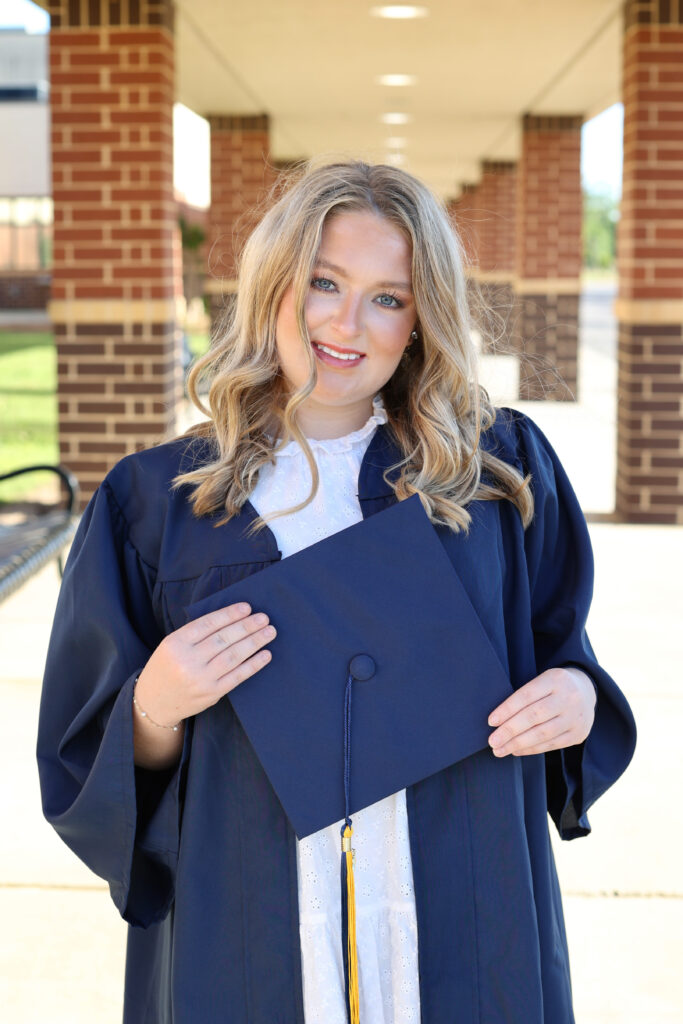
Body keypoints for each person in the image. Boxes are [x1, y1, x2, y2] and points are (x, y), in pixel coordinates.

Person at [37, 160, 636, 1024]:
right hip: (248, 926)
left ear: (421, 318)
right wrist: (156, 705)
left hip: (460, 906)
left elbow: (561, 654)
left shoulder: (493, 471)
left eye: (388, 297)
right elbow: (86, 762)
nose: (346, 324)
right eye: (324, 282)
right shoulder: (155, 503)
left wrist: (574, 698)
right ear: (274, 282)